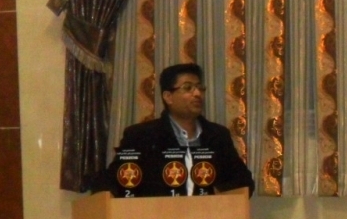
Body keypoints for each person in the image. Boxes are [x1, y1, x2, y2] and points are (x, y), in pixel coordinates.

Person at [94, 63, 255, 198]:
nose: (197, 94)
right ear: (168, 97)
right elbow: (114, 180)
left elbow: (243, 182)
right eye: (188, 88)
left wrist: (219, 196)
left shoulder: (217, 135)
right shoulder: (141, 136)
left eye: (200, 88)